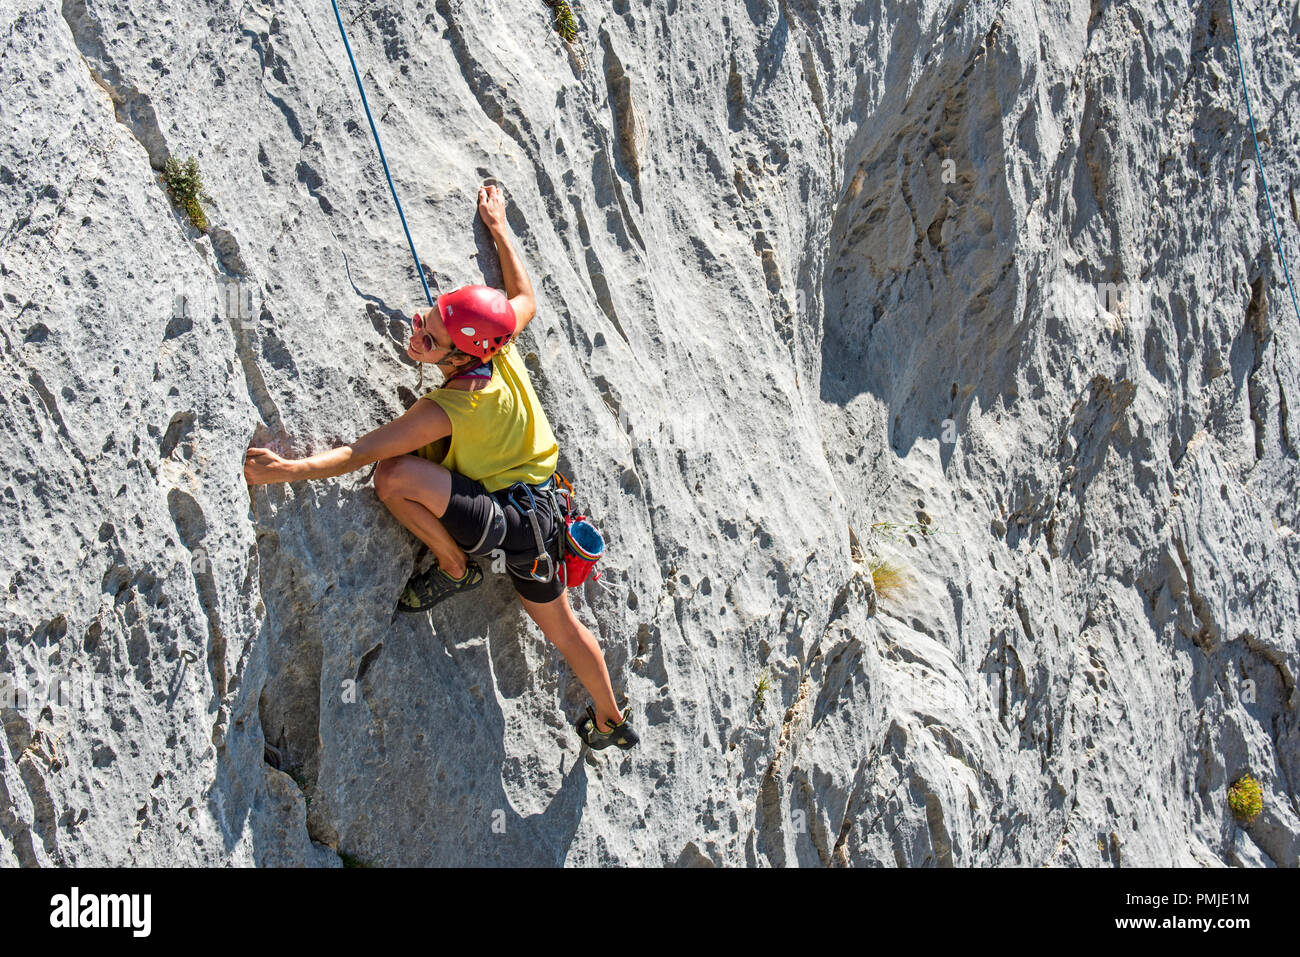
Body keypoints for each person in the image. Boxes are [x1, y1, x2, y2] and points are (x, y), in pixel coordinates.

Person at [244, 184, 637, 751]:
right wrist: (498, 226)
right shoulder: (496, 341)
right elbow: (522, 296)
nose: (417, 332)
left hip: (517, 530)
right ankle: (610, 720)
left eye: (429, 338)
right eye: (426, 317)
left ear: (460, 357)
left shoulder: (448, 408)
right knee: (565, 628)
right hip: (546, 504)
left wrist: (288, 470)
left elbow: (363, 454)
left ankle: (455, 566)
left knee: (395, 478)